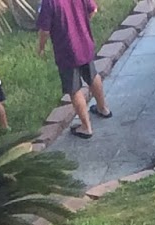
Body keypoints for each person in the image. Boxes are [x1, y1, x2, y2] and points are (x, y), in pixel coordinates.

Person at [37, 0, 110, 140]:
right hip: (85, 42)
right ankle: (103, 108)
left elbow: (45, 30)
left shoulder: (49, 2)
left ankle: (86, 127)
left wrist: (40, 47)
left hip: (66, 51)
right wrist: (81, 25)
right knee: (92, 75)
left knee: (74, 89)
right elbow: (93, 9)